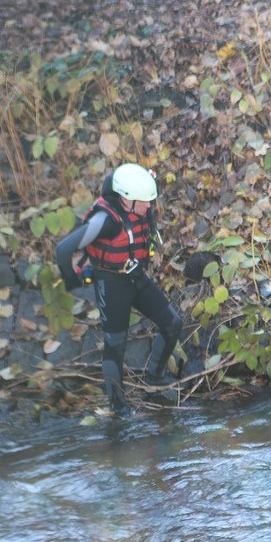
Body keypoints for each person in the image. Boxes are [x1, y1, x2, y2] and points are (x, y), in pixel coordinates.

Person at [55, 163, 183, 416]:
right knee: (115, 344)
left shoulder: (138, 204)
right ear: (125, 199)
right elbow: (63, 249)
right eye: (144, 202)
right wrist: (72, 282)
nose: (149, 207)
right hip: (111, 284)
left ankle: (154, 377)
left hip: (135, 277)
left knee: (173, 323)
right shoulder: (105, 221)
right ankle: (118, 406)